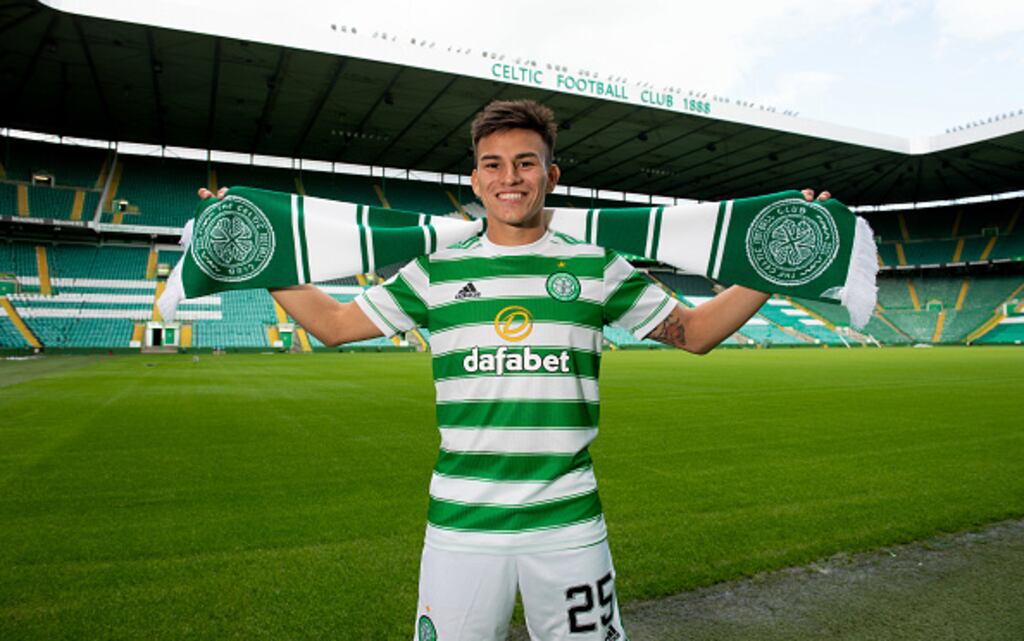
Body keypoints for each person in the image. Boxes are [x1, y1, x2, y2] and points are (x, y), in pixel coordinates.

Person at [199, 99, 831, 641]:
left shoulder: (595, 266)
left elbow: (694, 334)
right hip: (461, 522)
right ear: (474, 181)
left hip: (568, 520)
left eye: (526, 163)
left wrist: (777, 259)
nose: (510, 178)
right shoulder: (434, 271)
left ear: (550, 175)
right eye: (493, 165)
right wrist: (255, 251)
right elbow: (334, 326)